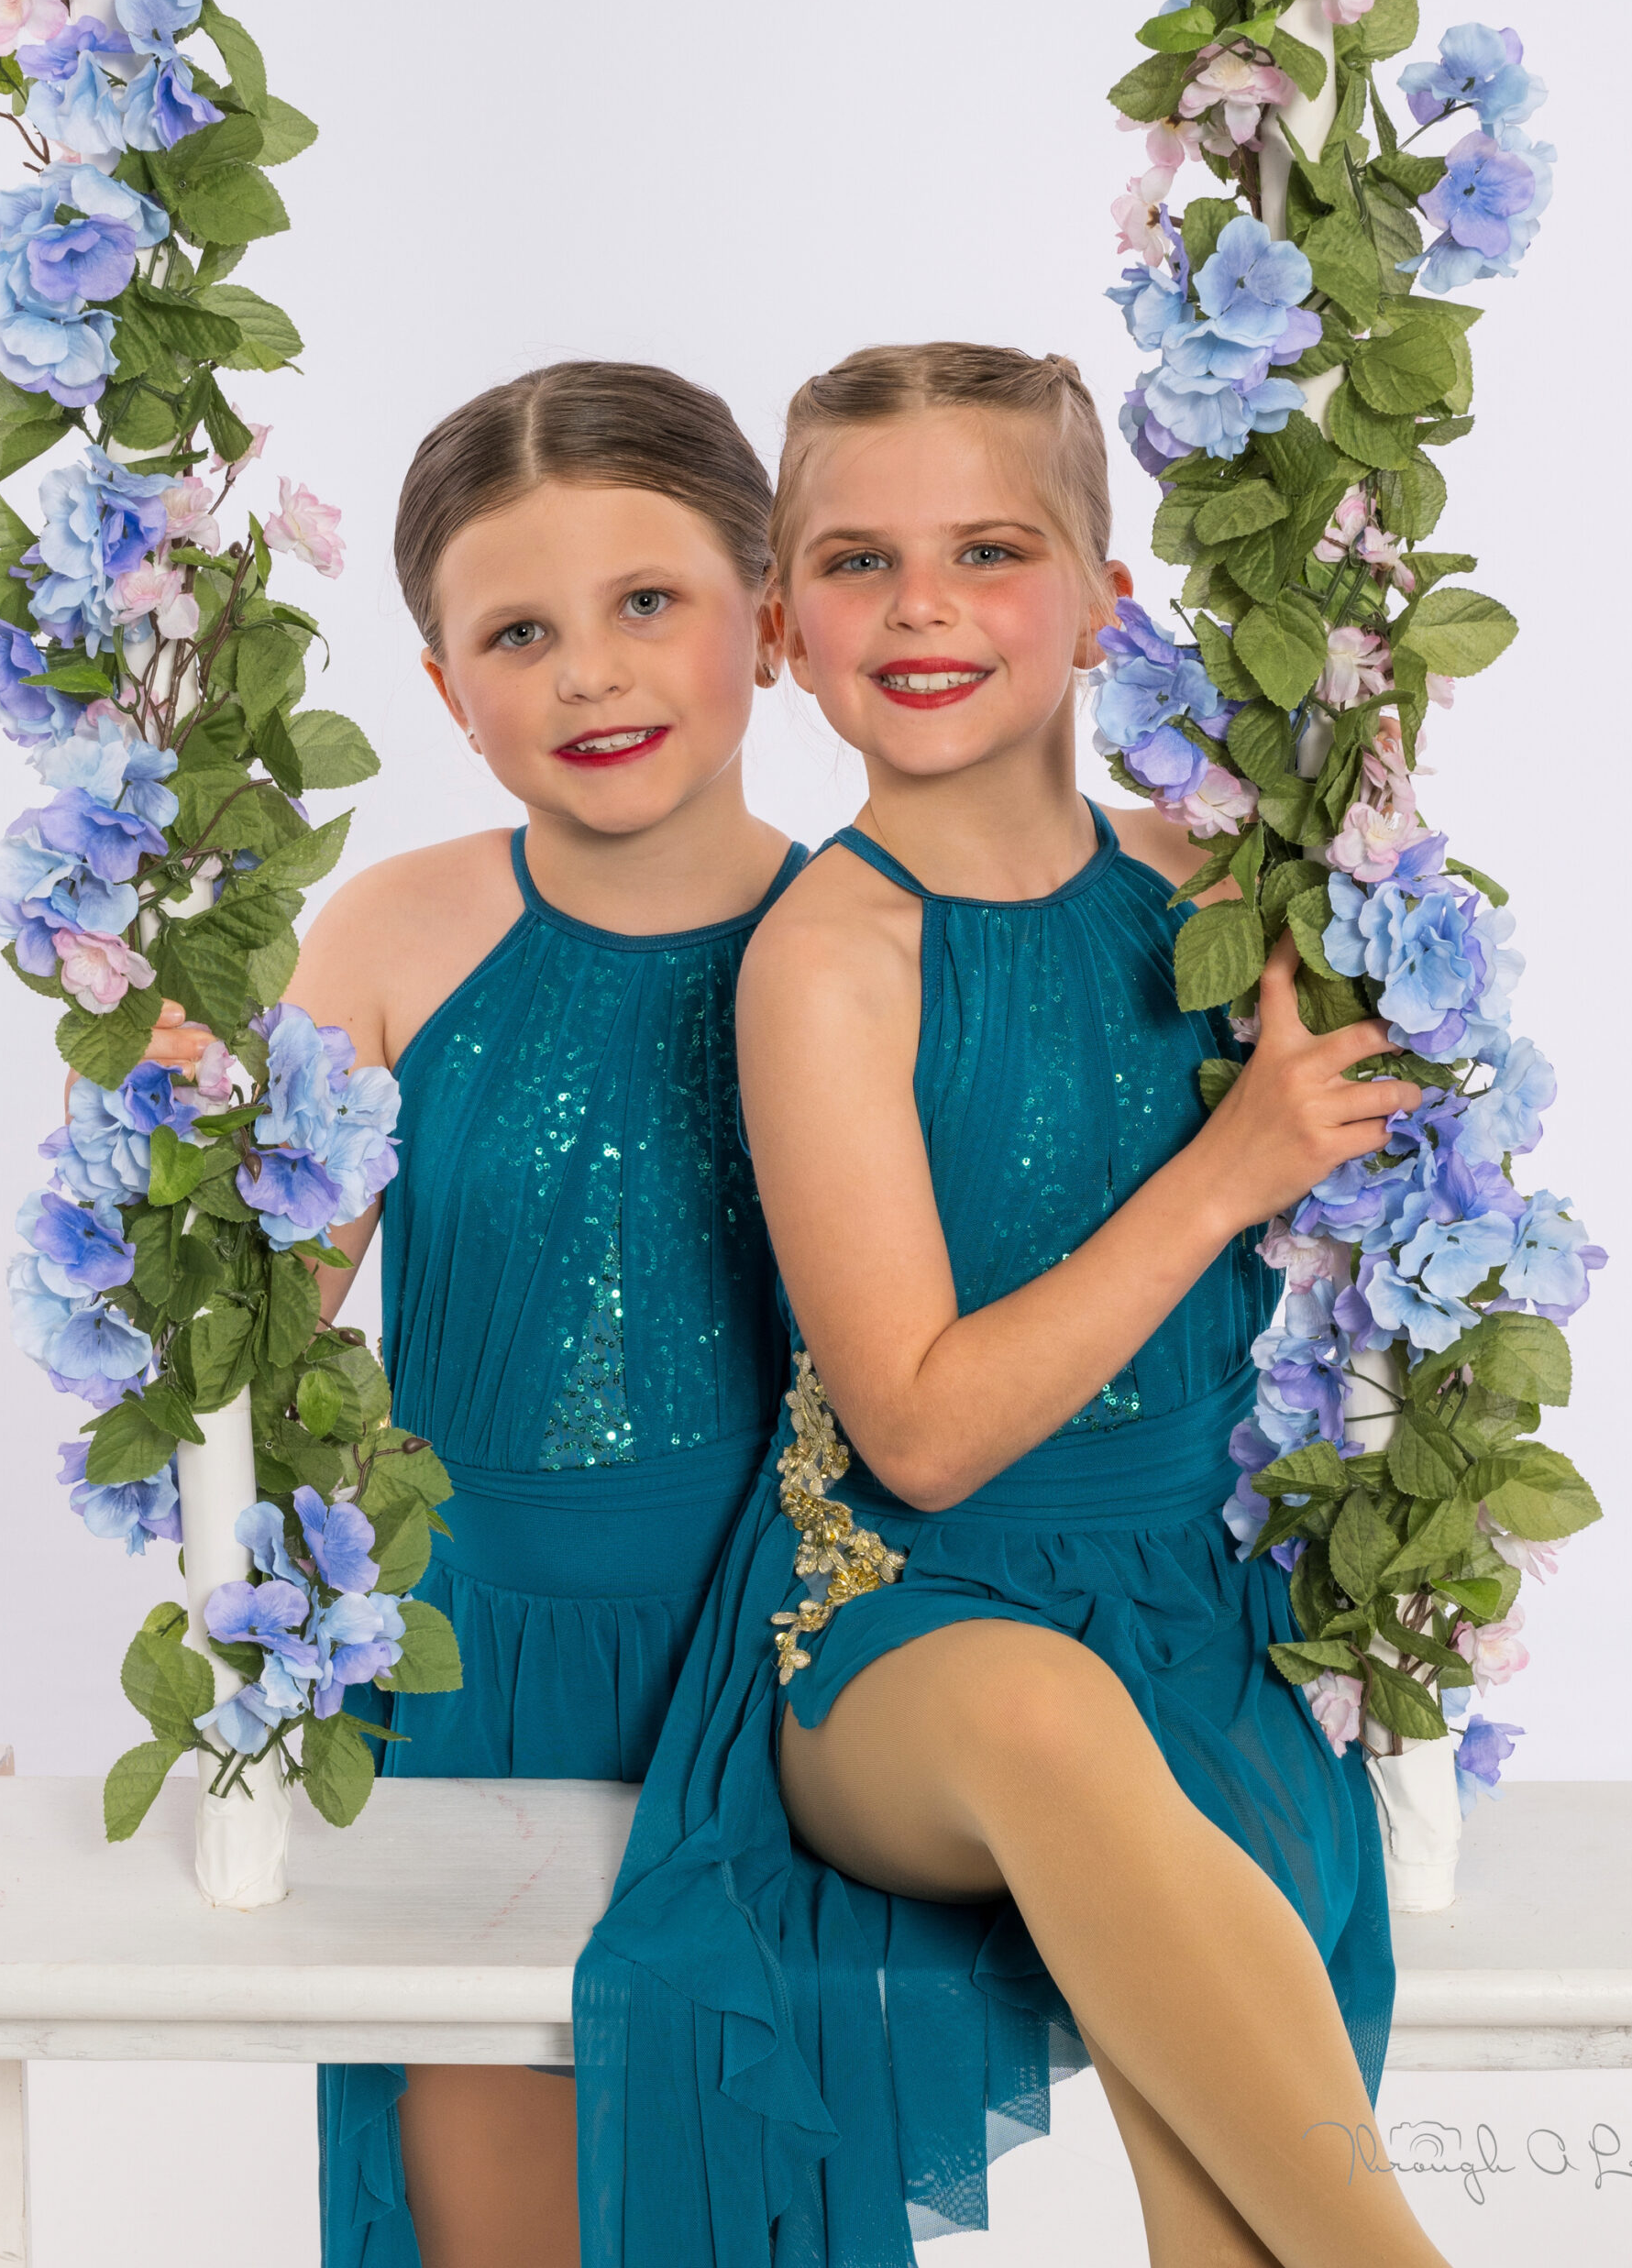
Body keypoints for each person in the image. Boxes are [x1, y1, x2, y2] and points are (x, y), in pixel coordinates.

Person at [574, 344, 1450, 2268]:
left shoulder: (1217, 899)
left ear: (1102, 601)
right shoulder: (830, 956)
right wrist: (1225, 1172)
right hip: (903, 1624)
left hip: (1197, 1605)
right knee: (1053, 1725)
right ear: (785, 629)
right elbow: (918, 1430)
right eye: (859, 564)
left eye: (988, 549)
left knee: (1224, 2180)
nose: (925, 607)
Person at [147, 361, 805, 2268]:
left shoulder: (864, 932)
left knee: (741, 2198)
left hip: (775, 1671)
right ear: (447, 688)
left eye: (647, 600)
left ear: (770, 621)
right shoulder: (394, 930)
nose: (589, 671)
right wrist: (189, 1165)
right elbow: (263, 1330)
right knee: (482, 2211)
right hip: (466, 1659)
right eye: (519, 633)